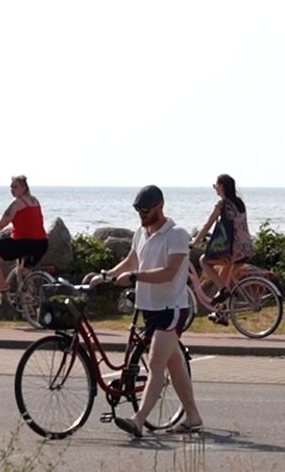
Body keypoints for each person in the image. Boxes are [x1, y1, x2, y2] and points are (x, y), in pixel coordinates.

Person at [87, 184, 204, 437]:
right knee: (174, 364)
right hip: (149, 307)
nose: (141, 215)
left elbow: (170, 272)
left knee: (155, 361)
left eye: (145, 210)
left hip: (171, 308)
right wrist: (106, 275)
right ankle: (193, 417)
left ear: (160, 206)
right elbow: (131, 259)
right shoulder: (141, 232)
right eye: (138, 210)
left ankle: (138, 419)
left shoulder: (177, 234)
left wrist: (136, 276)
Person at [0, 174, 48, 291]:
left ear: (24, 187)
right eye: (11, 187)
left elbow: (2, 223)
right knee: (23, 272)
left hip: (23, 244)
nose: (12, 190)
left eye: (15, 187)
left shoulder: (17, 203)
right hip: (41, 244)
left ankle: (1, 284)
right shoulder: (35, 200)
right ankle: (30, 303)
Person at [192, 173, 253, 306]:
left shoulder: (222, 204)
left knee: (204, 261)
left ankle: (224, 291)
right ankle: (221, 314)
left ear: (222, 187)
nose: (215, 188)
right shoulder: (239, 203)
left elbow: (207, 225)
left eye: (216, 185)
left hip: (232, 249)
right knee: (223, 277)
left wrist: (195, 241)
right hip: (245, 248)